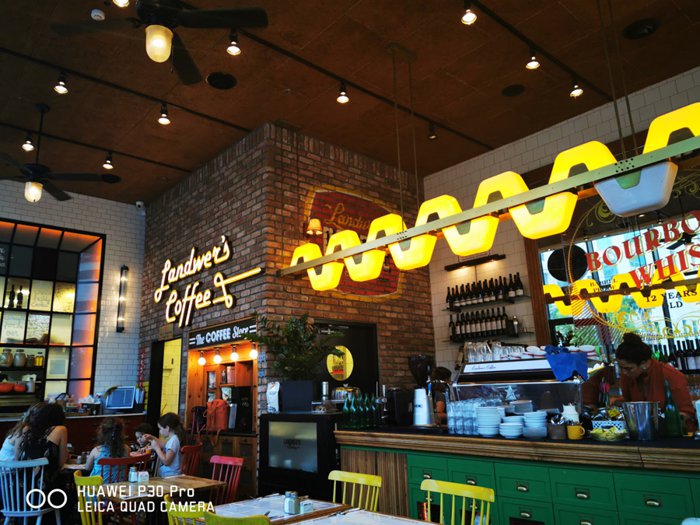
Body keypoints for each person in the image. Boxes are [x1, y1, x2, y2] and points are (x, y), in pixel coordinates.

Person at [616, 332, 696, 429]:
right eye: (620, 367)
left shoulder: (670, 375)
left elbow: (687, 412)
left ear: (644, 364)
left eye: (628, 368)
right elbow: (628, 402)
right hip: (642, 429)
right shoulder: (627, 376)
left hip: (675, 431)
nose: (624, 372)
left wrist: (665, 422)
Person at [84, 417, 130, 483]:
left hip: (99, 488)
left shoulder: (96, 451)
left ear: (102, 433)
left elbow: (87, 468)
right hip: (120, 487)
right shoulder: (126, 449)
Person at [142, 412, 184, 477]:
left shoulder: (173, 441)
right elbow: (165, 445)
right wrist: (152, 437)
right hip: (172, 474)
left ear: (167, 428)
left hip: (170, 476)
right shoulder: (174, 438)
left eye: (160, 429)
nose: (159, 431)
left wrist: (157, 448)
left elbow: (166, 462)